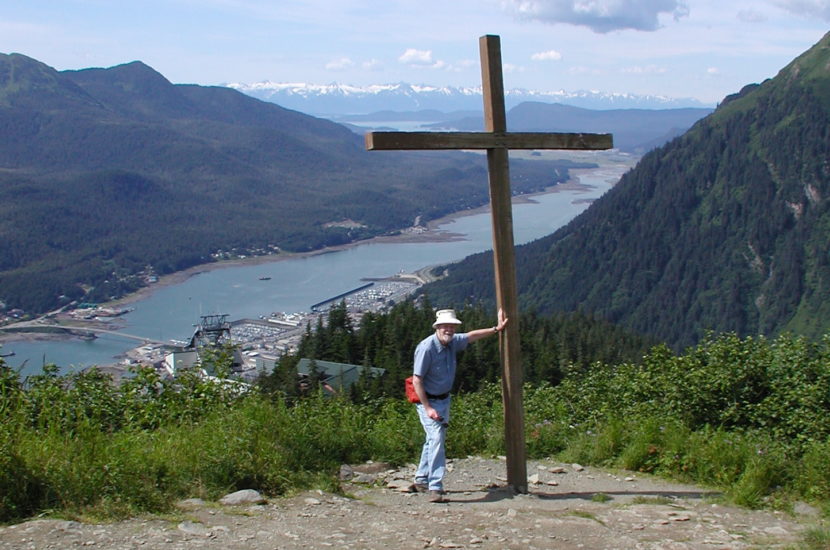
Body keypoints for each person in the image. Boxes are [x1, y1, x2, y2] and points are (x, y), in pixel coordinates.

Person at [412, 308, 508, 503]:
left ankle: (421, 479)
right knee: (437, 438)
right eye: (445, 326)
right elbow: (417, 380)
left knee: (433, 440)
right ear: (437, 327)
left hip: (444, 399)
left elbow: (472, 336)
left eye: (452, 326)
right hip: (428, 401)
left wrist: (496, 329)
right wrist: (428, 407)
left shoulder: (452, 342)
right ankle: (435, 486)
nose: (449, 329)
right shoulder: (426, 348)